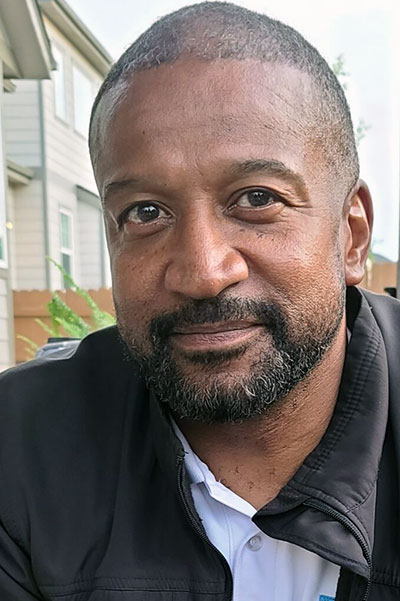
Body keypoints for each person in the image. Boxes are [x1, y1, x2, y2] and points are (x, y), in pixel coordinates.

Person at [0, 2, 399, 600]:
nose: (204, 272)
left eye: (257, 198)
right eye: (146, 212)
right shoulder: (18, 451)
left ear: (351, 235)